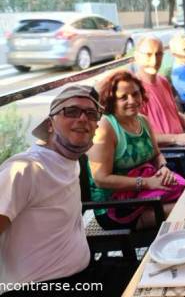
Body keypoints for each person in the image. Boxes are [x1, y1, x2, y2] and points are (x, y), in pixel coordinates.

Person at [0, 85, 136, 296]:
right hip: (43, 286)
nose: (83, 118)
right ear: (50, 123)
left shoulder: (71, 160)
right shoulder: (25, 169)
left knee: (156, 274)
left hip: (85, 275)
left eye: (91, 114)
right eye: (71, 111)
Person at [88, 70, 185, 230]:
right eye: (123, 97)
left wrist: (163, 168)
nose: (132, 100)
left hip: (144, 195)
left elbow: (156, 154)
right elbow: (101, 178)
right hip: (115, 207)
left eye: (135, 94)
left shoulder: (142, 120)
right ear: (111, 100)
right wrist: (146, 183)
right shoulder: (106, 127)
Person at [134, 36, 185, 175]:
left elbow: (174, 114)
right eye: (148, 54)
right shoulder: (133, 90)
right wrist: (176, 138)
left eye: (158, 54)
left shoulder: (163, 81)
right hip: (169, 155)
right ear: (137, 56)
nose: (154, 60)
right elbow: (140, 139)